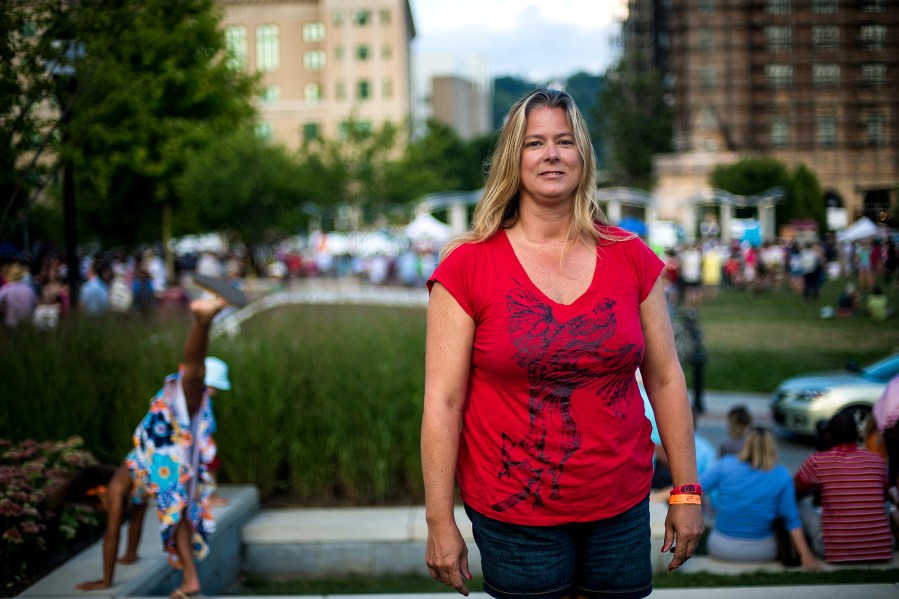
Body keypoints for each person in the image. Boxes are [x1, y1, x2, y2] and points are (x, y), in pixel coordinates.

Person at [421, 88, 703, 599]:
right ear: (514, 158)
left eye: (564, 141)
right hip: (514, 510)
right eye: (535, 143)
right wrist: (440, 520)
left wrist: (685, 491)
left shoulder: (631, 256)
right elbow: (443, 402)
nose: (551, 154)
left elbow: (664, 378)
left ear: (583, 155)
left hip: (619, 503)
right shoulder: (466, 265)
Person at [76, 296, 231, 596]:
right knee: (179, 515)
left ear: (98, 492)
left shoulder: (119, 485)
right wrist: (130, 555)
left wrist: (106, 581)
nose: (110, 509)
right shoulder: (136, 487)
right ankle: (190, 578)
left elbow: (112, 537)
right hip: (168, 451)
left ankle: (202, 319)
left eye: (102, 506)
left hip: (160, 445)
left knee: (192, 380)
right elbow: (132, 531)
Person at [699, 426, 818, 570]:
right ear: (772, 446)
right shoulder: (781, 475)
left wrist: (668, 495)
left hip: (721, 547)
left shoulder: (725, 465)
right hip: (763, 551)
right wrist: (806, 554)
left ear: (746, 443)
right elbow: (791, 519)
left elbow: (696, 488)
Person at [794, 410, 893, 563]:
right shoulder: (877, 460)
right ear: (857, 433)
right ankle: (875, 537)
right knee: (885, 504)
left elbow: (792, 491)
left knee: (795, 504)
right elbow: (884, 497)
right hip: (881, 550)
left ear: (829, 434)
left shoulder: (818, 460)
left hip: (833, 550)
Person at [0, 260, 38, 329]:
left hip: (11, 323)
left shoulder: (6, 288)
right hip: (27, 323)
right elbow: (35, 304)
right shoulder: (29, 289)